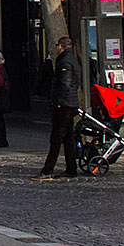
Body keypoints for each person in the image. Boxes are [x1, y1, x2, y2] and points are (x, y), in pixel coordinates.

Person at [35, 36, 81, 180]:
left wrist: (59, 101)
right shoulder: (73, 59)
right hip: (70, 102)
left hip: (64, 103)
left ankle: (48, 169)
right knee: (68, 137)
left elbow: (65, 83)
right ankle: (71, 168)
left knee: (57, 137)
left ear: (60, 47)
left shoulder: (65, 61)